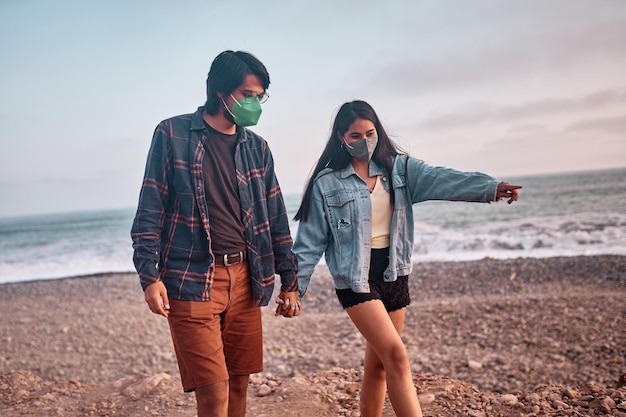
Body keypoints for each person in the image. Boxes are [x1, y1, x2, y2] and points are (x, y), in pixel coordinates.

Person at [292, 100, 521, 417]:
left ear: (379, 132)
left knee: (379, 366)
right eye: (355, 136)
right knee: (397, 356)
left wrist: (491, 187)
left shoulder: (399, 169)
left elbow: (444, 179)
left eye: (370, 133)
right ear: (341, 139)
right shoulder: (327, 183)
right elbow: (309, 241)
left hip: (395, 272)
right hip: (355, 278)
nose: (364, 141)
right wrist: (294, 289)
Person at [131, 50, 300, 417]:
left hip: (247, 278)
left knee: (239, 383)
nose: (255, 104)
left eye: (260, 96)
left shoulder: (258, 148)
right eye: (248, 95)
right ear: (221, 92)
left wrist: (290, 280)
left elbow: (275, 216)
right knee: (213, 391)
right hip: (191, 278)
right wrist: (149, 277)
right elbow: (150, 210)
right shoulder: (172, 134)